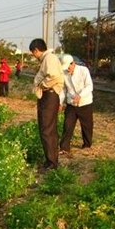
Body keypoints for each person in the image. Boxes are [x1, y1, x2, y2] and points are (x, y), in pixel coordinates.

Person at [29, 38, 64, 171]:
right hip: (48, 96)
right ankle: (51, 160)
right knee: (49, 129)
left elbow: (53, 76)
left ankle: (51, 163)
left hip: (49, 95)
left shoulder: (49, 58)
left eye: (33, 53)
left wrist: (42, 85)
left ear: (36, 50)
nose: (34, 55)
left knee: (46, 129)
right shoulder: (47, 59)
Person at [59, 54, 94, 156]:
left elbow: (89, 86)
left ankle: (87, 145)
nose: (68, 69)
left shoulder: (83, 70)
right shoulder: (64, 73)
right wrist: (60, 102)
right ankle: (64, 147)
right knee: (67, 125)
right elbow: (63, 89)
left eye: (69, 66)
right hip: (71, 104)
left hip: (85, 103)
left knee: (87, 126)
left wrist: (80, 95)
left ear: (73, 63)